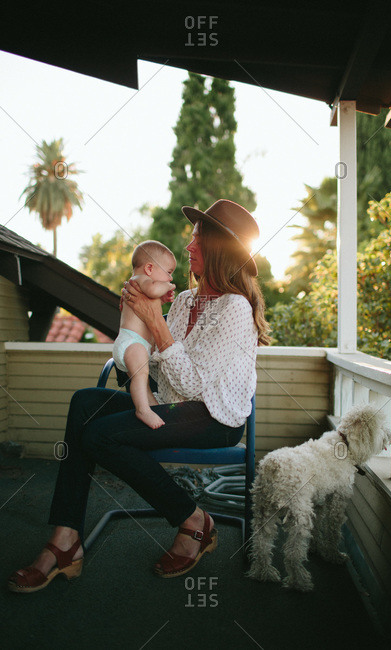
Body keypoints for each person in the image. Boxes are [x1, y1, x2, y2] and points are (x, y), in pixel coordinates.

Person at [7, 198, 271, 591]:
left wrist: (155, 326)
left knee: (99, 435)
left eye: (197, 240)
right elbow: (162, 368)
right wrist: (135, 324)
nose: (188, 248)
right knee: (84, 404)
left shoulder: (234, 308)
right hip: (172, 402)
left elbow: (194, 386)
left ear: (217, 250)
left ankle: (194, 520)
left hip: (214, 417)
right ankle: (66, 540)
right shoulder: (182, 300)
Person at [112, 240, 176, 429]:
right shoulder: (139, 280)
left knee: (143, 377)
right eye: (168, 272)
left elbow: (151, 302)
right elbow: (153, 289)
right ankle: (142, 410)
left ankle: (151, 406)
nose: (170, 279)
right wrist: (167, 288)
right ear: (149, 268)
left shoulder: (143, 285)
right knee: (141, 376)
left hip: (137, 344)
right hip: (131, 343)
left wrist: (162, 298)